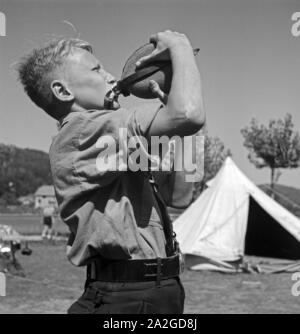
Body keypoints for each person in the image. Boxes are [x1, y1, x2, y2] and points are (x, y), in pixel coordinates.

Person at [16, 30, 205, 314]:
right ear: (63, 91)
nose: (111, 76)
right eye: (96, 69)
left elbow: (180, 194)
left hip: (156, 290)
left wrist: (180, 130)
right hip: (127, 297)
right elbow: (189, 114)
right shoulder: (83, 130)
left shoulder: (115, 145)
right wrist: (180, 46)